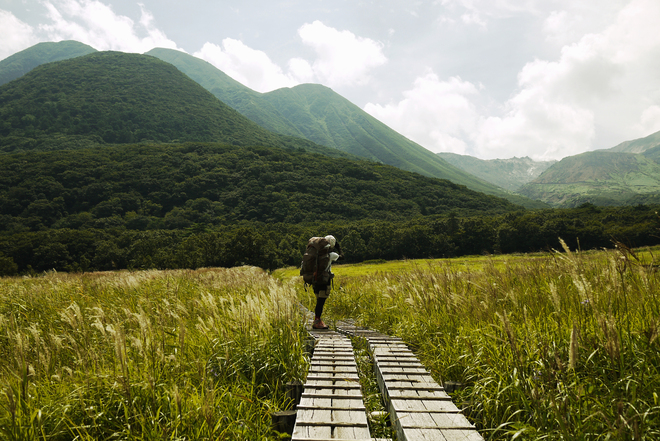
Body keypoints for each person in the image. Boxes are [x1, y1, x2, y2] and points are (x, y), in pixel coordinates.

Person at [312, 235, 343, 330]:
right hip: (324, 281)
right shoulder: (331, 255)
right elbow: (342, 257)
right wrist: (338, 247)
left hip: (315, 281)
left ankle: (318, 320)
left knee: (319, 301)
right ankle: (317, 321)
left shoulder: (315, 254)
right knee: (321, 302)